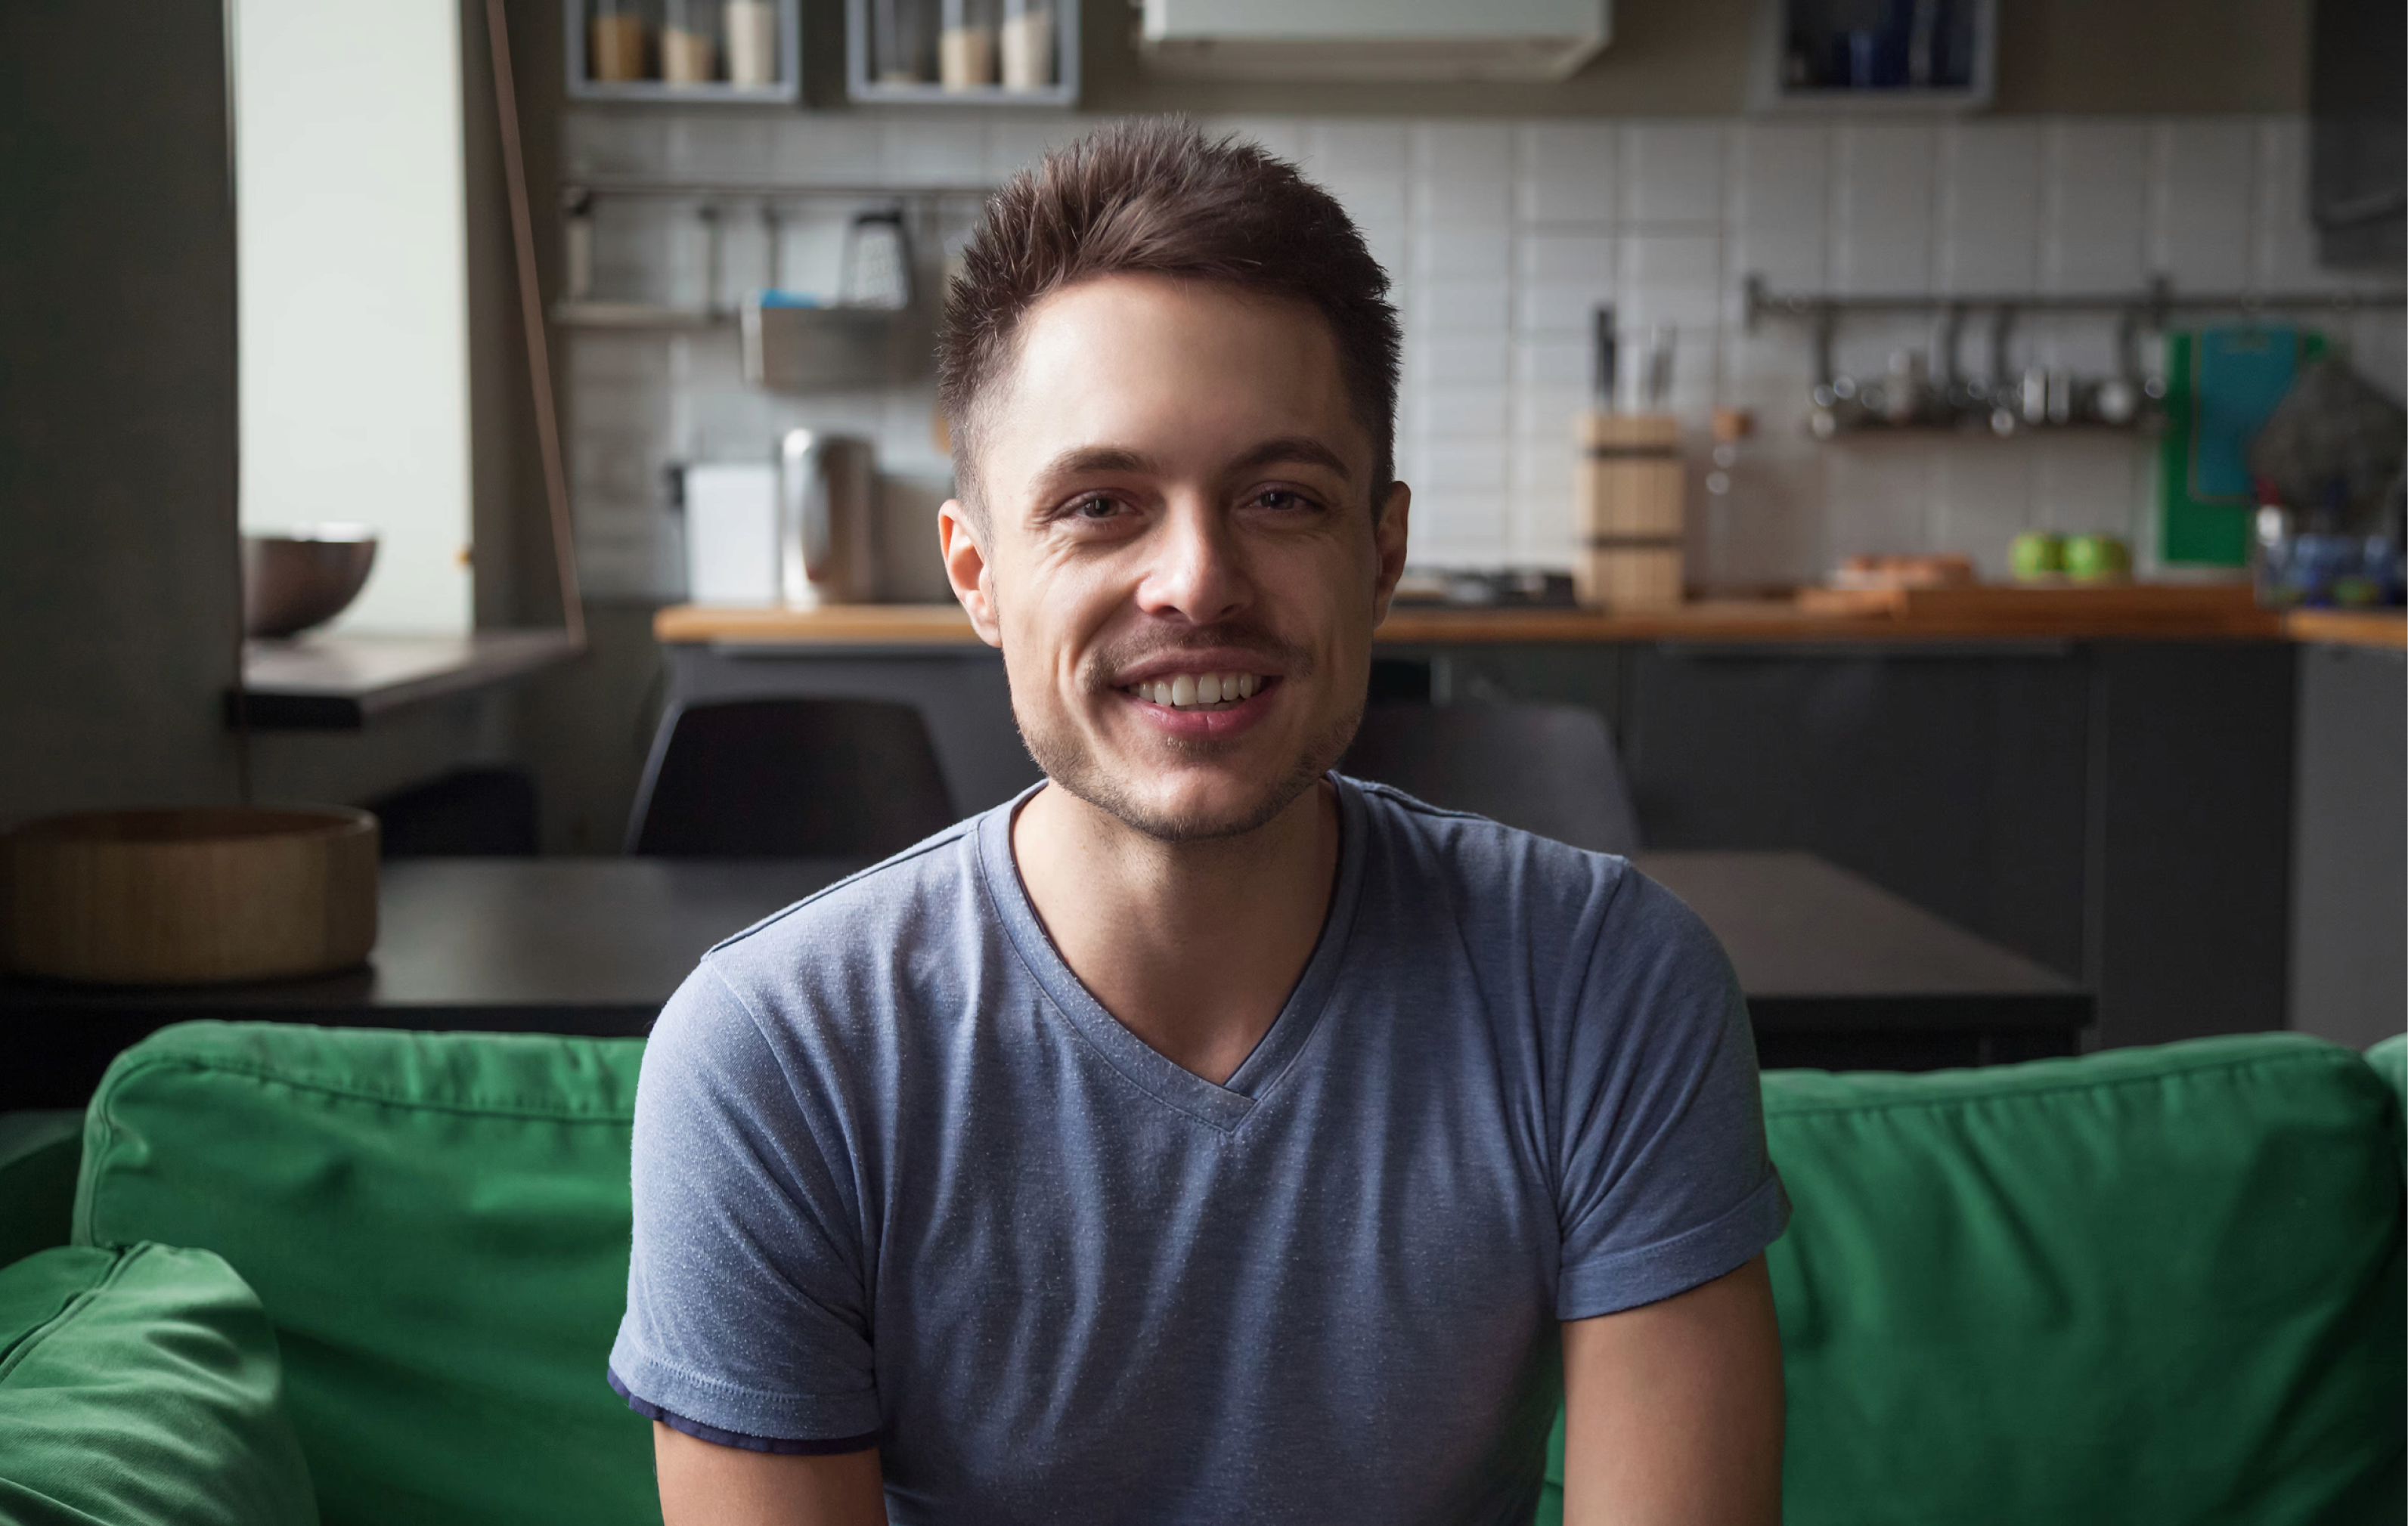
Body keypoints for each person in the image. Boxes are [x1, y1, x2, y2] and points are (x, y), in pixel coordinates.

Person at [609, 117, 1788, 1526]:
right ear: (979, 574)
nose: (1198, 579)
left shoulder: (1607, 984)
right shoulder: (774, 1059)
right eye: (1101, 504)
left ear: (1383, 551)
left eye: (1280, 497)